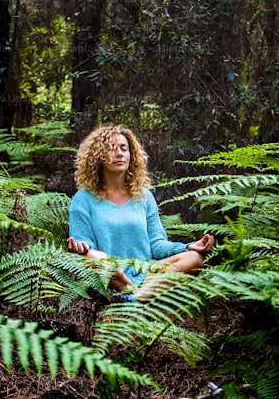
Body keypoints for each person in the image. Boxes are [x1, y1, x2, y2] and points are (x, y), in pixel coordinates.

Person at [66, 125, 215, 299]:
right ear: (98, 156)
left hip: (145, 273)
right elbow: (84, 245)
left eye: (124, 148)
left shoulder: (144, 196)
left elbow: (157, 244)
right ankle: (139, 295)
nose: (119, 153)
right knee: (92, 257)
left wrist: (187, 246)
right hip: (108, 277)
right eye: (111, 148)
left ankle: (134, 297)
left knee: (194, 259)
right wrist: (81, 247)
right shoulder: (83, 199)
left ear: (131, 155)